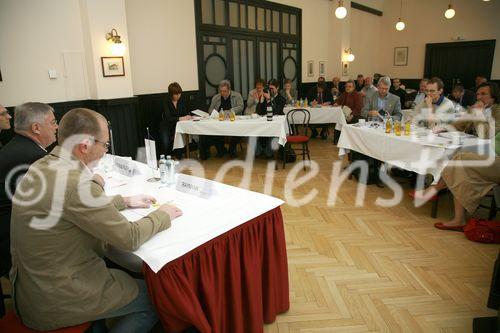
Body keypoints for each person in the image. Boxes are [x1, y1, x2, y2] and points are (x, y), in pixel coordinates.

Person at [10, 108, 182, 331]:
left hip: (30, 290)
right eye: (105, 145)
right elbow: (129, 237)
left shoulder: (41, 166)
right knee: (156, 300)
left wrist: (124, 200)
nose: (105, 151)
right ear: (85, 146)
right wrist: (163, 214)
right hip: (58, 297)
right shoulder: (77, 183)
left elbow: (69, 208)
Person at [0, 102, 58, 277]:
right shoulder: (33, 156)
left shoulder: (16, 146)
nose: (57, 126)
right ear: (36, 128)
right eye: (53, 122)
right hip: (11, 238)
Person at [200, 80, 244, 159]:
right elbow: (210, 109)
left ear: (229, 89)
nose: (223, 93)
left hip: (233, 120)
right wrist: (216, 113)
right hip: (219, 120)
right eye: (221, 91)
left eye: (225, 91)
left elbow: (241, 107)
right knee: (214, 130)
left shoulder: (237, 95)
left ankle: (231, 149)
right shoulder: (216, 97)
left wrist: (228, 112)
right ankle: (220, 149)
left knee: (239, 129)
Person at [159, 82, 192, 158]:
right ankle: (165, 159)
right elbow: (168, 117)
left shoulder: (182, 100)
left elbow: (185, 112)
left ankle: (179, 157)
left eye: (179, 93)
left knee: (180, 137)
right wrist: (180, 118)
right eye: (176, 94)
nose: (178, 96)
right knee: (165, 142)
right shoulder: (166, 101)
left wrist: (187, 116)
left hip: (177, 125)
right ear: (171, 94)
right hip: (166, 125)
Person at [255, 79, 286, 158]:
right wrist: (261, 100)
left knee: (269, 152)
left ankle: (268, 151)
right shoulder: (265, 96)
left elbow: (276, 112)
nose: (270, 90)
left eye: (272, 88)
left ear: (277, 88)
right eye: (269, 88)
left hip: (275, 126)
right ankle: (260, 150)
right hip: (264, 124)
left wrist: (269, 100)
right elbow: (259, 112)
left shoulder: (281, 99)